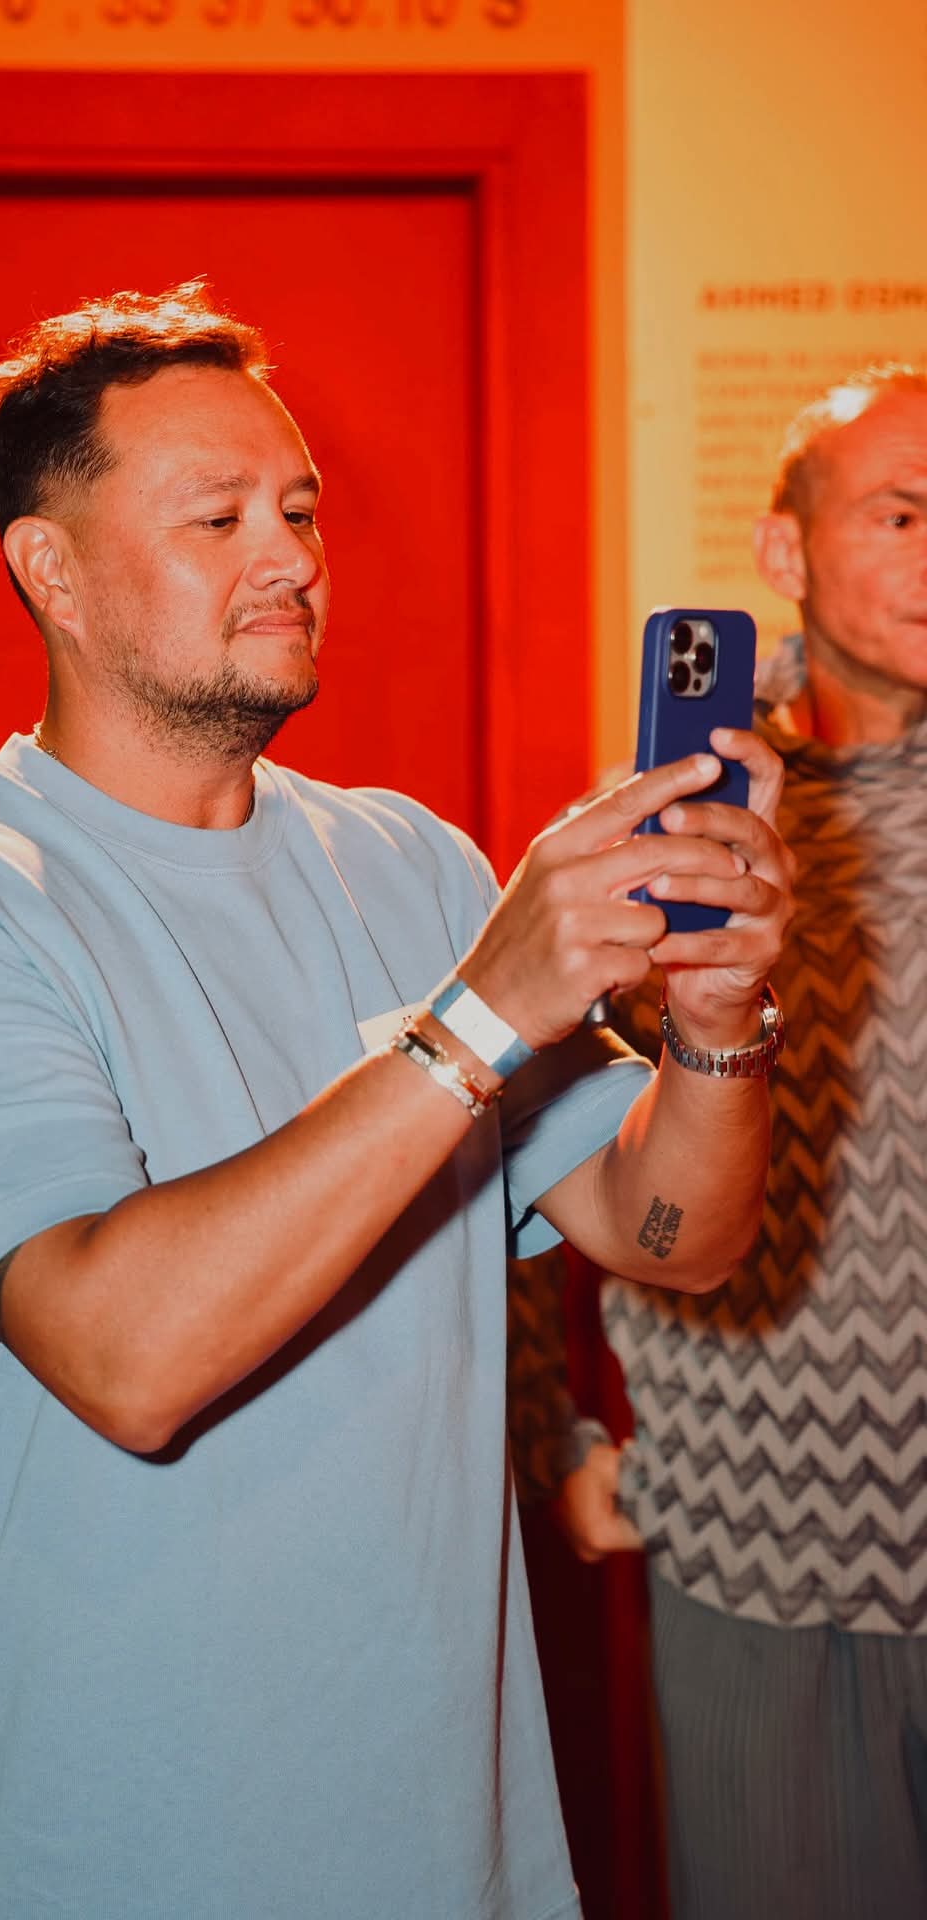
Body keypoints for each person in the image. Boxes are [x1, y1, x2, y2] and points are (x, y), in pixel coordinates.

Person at [0, 282, 793, 1920]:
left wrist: (716, 1021)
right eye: (220, 518)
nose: (293, 558)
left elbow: (668, 1231)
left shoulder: (410, 862)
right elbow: (127, 1363)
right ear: (50, 569)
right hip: (105, 1846)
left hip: (450, 1846)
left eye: (302, 510)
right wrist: (480, 1015)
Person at [509, 364, 927, 1920]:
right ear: (783, 552)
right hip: (759, 1546)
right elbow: (518, 1136)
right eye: (902, 514)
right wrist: (548, 1432)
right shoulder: (670, 825)